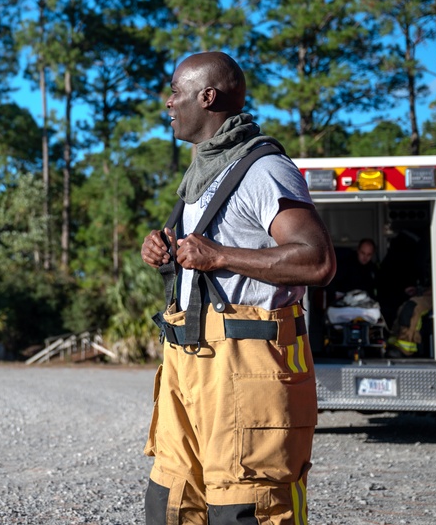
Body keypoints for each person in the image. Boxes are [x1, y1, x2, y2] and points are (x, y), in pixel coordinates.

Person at [140, 52, 335, 525]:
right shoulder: (203, 172)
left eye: (175, 92)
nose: (168, 102)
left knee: (244, 507)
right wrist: (162, 248)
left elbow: (318, 259)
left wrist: (221, 255)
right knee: (171, 501)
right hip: (188, 364)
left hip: (248, 370)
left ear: (207, 97)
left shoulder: (265, 170)